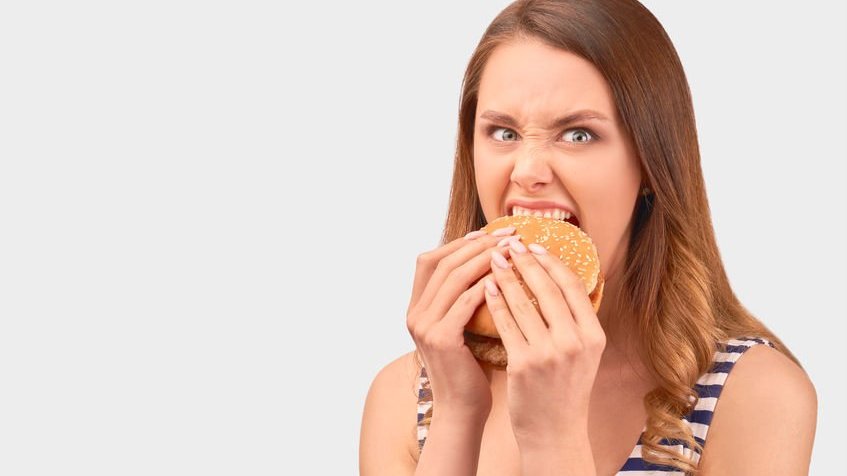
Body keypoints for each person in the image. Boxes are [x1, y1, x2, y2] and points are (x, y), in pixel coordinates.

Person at [359, 0, 817, 474]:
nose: (528, 170)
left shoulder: (754, 393)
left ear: (650, 163)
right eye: (502, 132)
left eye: (577, 134)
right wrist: (457, 413)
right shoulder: (403, 395)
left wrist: (553, 437)